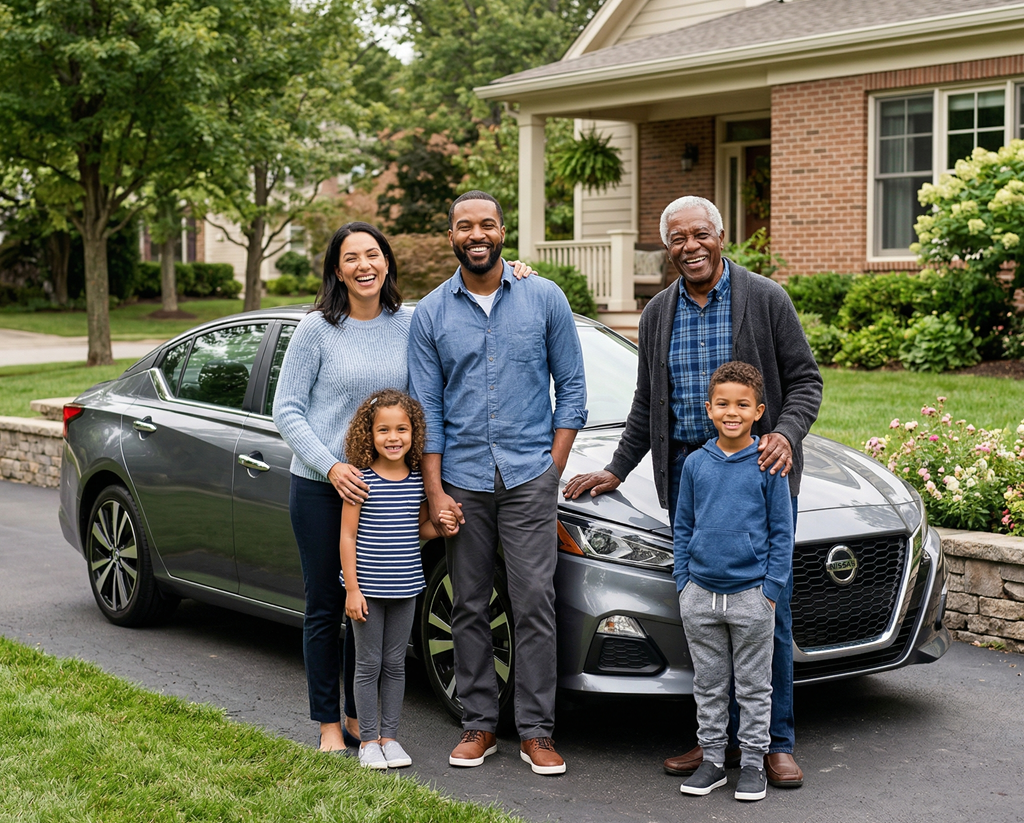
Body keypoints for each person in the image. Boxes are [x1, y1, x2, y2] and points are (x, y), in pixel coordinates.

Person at [562, 195, 821, 787]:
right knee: (703, 615)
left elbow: (806, 381)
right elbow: (646, 403)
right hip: (690, 479)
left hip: (759, 474)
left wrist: (784, 433)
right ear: (667, 247)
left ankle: (774, 743)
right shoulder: (657, 313)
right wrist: (617, 469)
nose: (690, 246)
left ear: (721, 236)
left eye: (700, 234)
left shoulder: (765, 298)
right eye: (677, 238)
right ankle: (712, 745)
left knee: (768, 615)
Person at [274, 220, 534, 753]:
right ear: (337, 270)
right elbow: (287, 410)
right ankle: (329, 724)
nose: (364, 265)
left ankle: (360, 719)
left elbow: (434, 388)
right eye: (351, 258)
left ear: (387, 262)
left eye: (372, 254)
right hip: (323, 486)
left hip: (388, 488)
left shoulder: (410, 322)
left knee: (374, 604)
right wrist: (332, 467)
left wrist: (515, 276)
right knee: (327, 604)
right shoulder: (316, 329)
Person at [408, 190, 588, 776]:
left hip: (529, 476)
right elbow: (427, 411)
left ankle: (536, 732)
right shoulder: (431, 313)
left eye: (487, 224)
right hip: (461, 482)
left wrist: (552, 468)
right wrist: (436, 492)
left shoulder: (544, 297)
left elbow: (573, 390)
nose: (476, 234)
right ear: (451, 236)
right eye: (465, 226)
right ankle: (479, 724)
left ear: (503, 232)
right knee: (468, 604)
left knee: (535, 603)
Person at [675, 362, 793, 802]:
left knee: (754, 687)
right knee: (708, 685)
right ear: (709, 408)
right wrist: (684, 584)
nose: (732, 412)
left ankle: (753, 764)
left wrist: (770, 591)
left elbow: (782, 532)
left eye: (742, 405)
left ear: (758, 411)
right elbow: (683, 527)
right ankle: (712, 761)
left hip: (751, 597)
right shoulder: (694, 464)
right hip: (700, 596)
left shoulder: (768, 464)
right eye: (722, 404)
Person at [339, 389, 459, 769]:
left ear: (414, 433)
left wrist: (443, 526)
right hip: (368, 591)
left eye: (402, 429)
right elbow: (347, 536)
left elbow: (419, 528)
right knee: (368, 665)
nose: (393, 438)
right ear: (369, 434)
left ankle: (389, 738)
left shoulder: (417, 482)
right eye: (384, 430)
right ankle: (367, 740)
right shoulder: (360, 480)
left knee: (395, 664)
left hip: (406, 587)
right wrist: (352, 590)